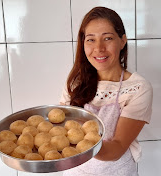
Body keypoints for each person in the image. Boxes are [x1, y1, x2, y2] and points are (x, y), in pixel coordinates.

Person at [60, 6, 153, 176]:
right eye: (90, 40)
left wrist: (81, 144)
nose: (99, 48)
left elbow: (116, 148)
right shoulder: (76, 82)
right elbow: (60, 126)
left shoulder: (138, 88)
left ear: (122, 41)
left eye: (107, 38)